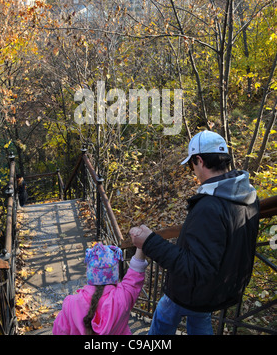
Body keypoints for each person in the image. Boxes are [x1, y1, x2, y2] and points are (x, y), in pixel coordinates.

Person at [130, 130, 259, 335]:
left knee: (164, 314)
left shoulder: (210, 206)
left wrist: (148, 241)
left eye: (192, 165)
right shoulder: (246, 195)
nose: (193, 171)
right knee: (199, 320)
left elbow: (196, 268)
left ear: (199, 160)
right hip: (220, 288)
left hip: (193, 291)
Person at [52, 241, 148, 335]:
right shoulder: (123, 297)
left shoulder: (71, 304)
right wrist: (141, 245)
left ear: (89, 273)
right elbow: (135, 273)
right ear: (115, 274)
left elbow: (59, 331)